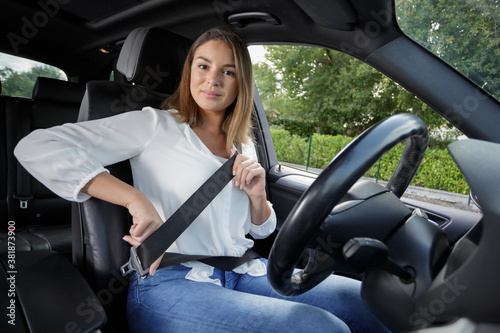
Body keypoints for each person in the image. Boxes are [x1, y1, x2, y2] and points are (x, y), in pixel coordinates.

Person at [15, 26, 389, 332]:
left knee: (361, 299)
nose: (213, 80)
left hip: (243, 270)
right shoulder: (153, 124)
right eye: (203, 66)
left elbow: (258, 232)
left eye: (227, 71)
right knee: (318, 328)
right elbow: (37, 146)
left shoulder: (244, 144)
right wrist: (134, 198)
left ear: (241, 81)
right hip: (170, 282)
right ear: (188, 71)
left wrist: (258, 198)